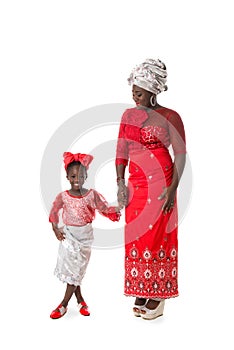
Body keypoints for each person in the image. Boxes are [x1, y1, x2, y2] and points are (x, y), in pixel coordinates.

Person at [115, 58, 186, 320]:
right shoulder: (128, 116)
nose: (135, 94)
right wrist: (120, 183)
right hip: (136, 185)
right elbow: (121, 150)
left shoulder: (170, 116)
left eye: (140, 90)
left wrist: (172, 189)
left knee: (157, 235)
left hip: (161, 182)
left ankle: (158, 294)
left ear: (153, 90)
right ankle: (142, 288)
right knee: (137, 235)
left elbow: (180, 154)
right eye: (133, 89)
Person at [49, 152, 121, 319]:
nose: (77, 179)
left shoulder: (91, 195)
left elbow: (104, 208)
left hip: (85, 238)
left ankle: (65, 303)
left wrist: (118, 207)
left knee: (77, 271)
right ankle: (75, 302)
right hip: (68, 237)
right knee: (73, 272)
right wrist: (55, 228)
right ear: (67, 177)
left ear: (86, 176)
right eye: (73, 176)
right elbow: (54, 211)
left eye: (81, 176)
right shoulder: (63, 196)